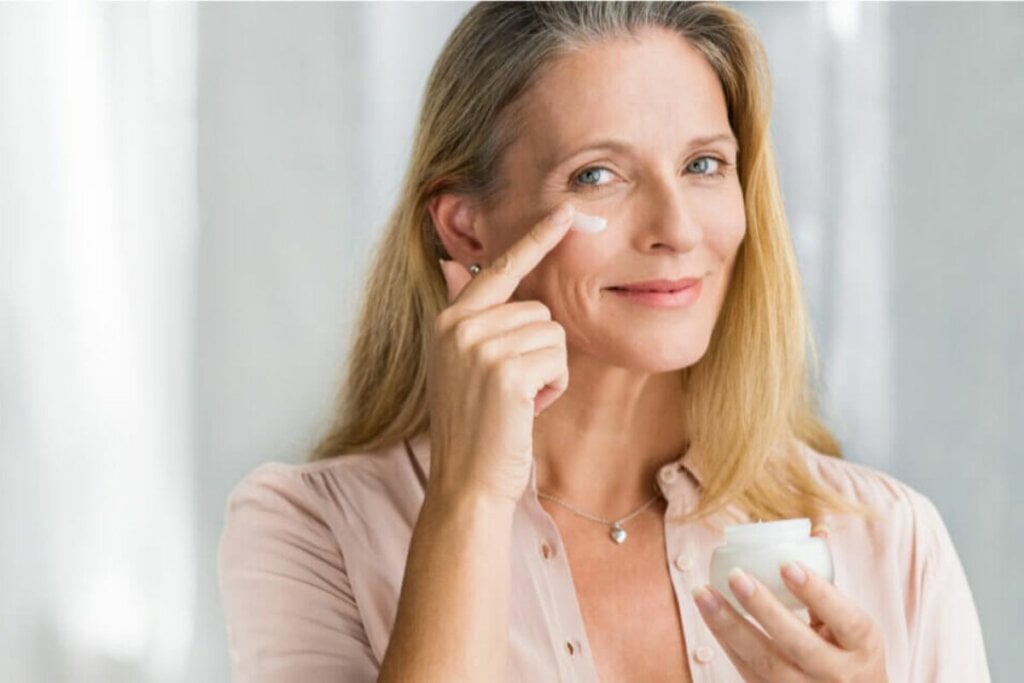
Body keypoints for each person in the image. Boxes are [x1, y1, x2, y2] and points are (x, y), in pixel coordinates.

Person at [217, 2, 990, 681]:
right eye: (597, 176)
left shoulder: (890, 541)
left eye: (703, 165)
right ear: (466, 224)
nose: (677, 230)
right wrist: (471, 499)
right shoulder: (311, 530)